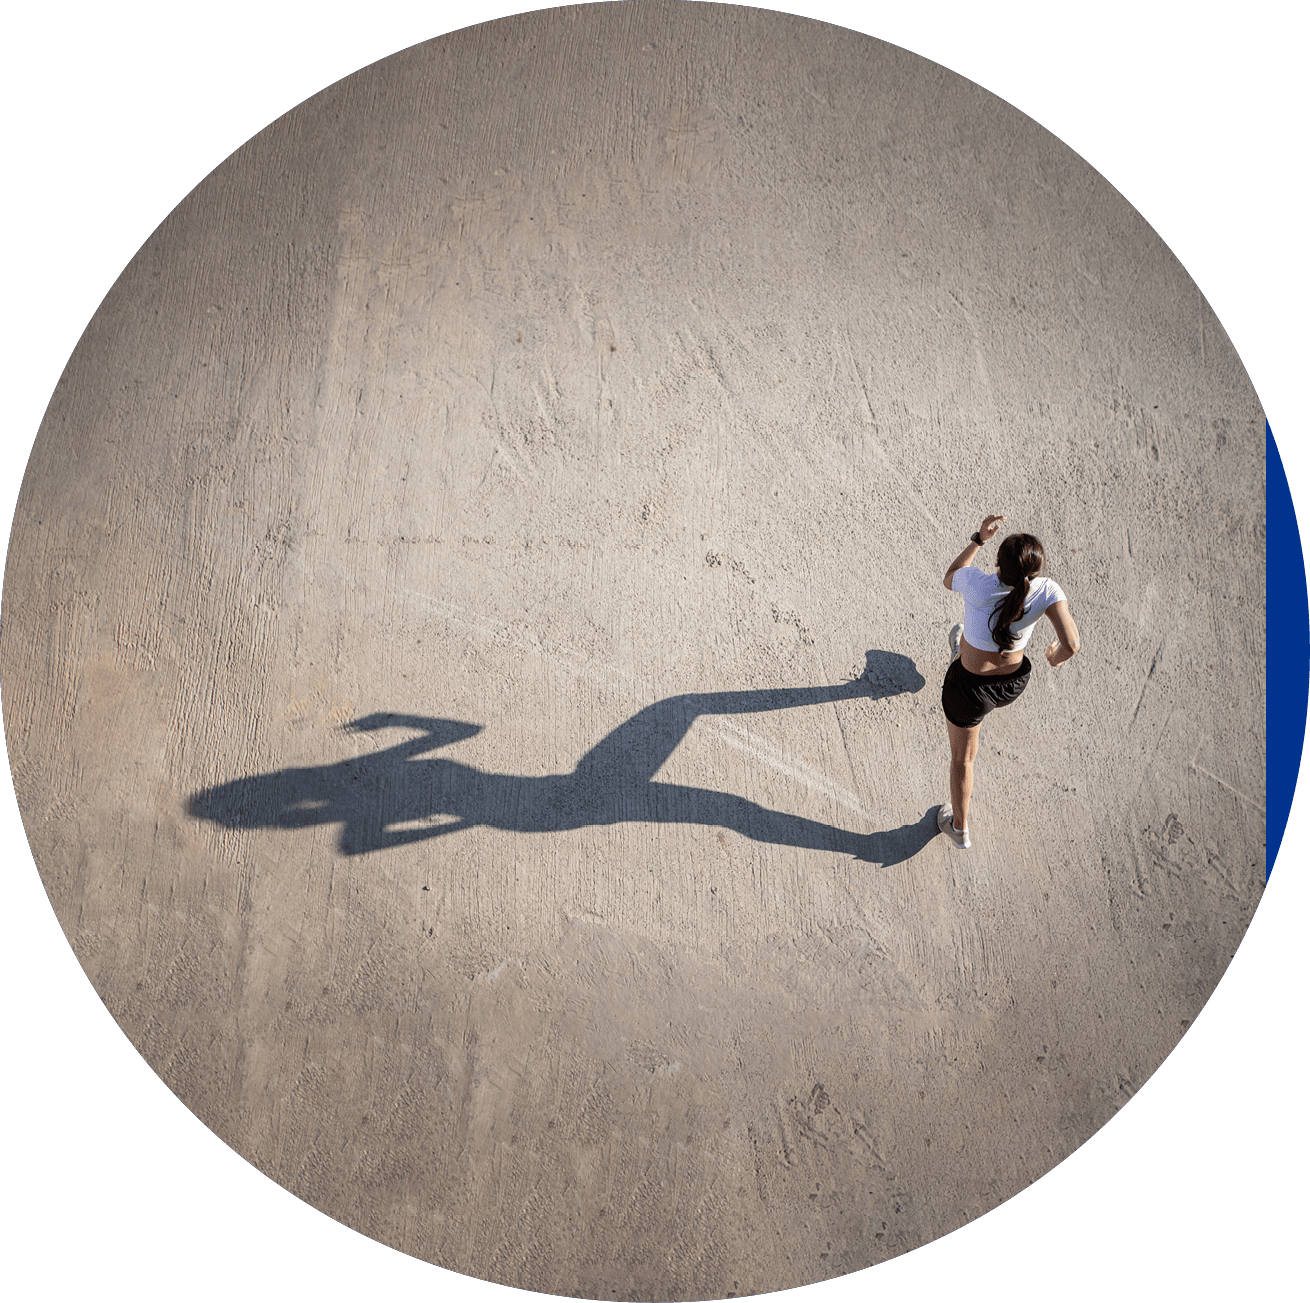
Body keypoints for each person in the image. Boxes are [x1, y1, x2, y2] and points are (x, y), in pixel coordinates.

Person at [937, 514, 1080, 849]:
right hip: (1012, 683)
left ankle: (959, 828)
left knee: (963, 759)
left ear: (997, 563)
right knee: (967, 639)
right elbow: (1071, 645)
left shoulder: (976, 584)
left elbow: (948, 577)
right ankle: (964, 646)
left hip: (970, 689)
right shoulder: (1046, 590)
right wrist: (1053, 657)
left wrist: (978, 538)